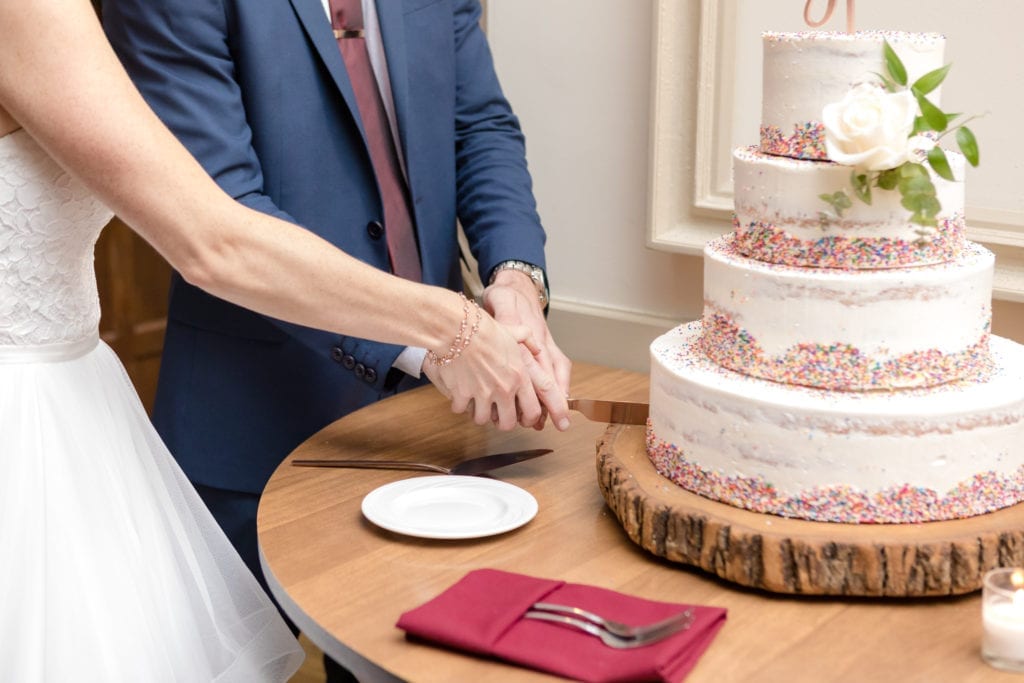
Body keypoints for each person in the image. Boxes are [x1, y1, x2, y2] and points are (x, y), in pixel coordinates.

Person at [0, 0, 569, 679]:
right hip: (77, 426)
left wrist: (516, 283)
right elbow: (216, 235)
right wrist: (451, 326)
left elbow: (479, 122)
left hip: (423, 420)